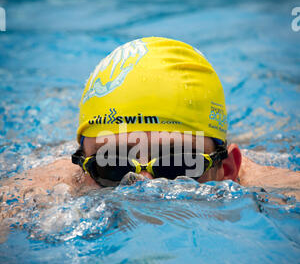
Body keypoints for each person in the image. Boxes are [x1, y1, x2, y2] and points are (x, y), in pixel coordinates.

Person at [1, 36, 300, 221]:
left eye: (177, 164)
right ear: (81, 167)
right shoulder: (48, 187)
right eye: (113, 165)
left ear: (228, 168)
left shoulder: (272, 188)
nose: (142, 185)